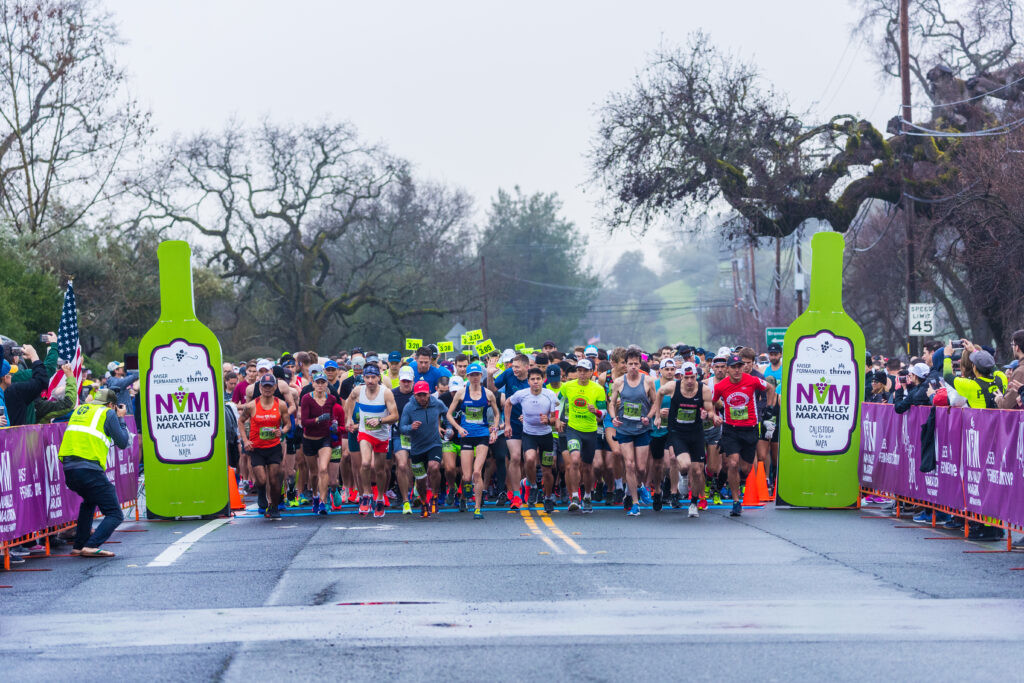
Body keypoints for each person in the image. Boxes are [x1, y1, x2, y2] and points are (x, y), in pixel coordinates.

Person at [58, 387, 131, 557]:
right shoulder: (108, 413)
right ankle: (91, 546)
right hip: (89, 469)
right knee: (115, 514)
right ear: (111, 404)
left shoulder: (81, 410)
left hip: (69, 469)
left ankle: (78, 546)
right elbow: (123, 442)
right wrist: (121, 419)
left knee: (89, 502)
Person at [713, 354, 773, 517]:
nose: (737, 370)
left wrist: (768, 408)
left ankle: (733, 481)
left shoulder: (751, 380)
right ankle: (736, 501)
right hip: (731, 429)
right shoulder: (721, 386)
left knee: (746, 469)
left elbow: (770, 388)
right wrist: (715, 414)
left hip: (750, 429)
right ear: (728, 369)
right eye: (733, 367)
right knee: (732, 463)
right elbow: (712, 400)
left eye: (739, 366)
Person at [655, 361, 716, 517]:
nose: (689, 381)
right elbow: (659, 393)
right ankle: (683, 476)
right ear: (681, 376)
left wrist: (707, 415)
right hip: (677, 432)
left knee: (698, 470)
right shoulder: (673, 387)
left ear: (696, 376)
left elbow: (710, 411)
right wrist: (657, 416)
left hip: (696, 433)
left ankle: (693, 503)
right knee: (685, 465)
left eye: (692, 377)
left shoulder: (704, 390)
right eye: (686, 377)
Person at [344, 364, 400, 518]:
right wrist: (349, 419)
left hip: (381, 435)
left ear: (378, 378)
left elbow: (395, 416)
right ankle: (366, 495)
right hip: (365, 433)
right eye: (367, 377)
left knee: (379, 469)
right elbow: (349, 401)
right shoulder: (358, 390)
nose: (370, 380)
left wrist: (380, 420)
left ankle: (380, 497)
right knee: (365, 463)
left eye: (373, 377)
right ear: (363, 378)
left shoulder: (386, 393)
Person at [607, 348, 657, 516]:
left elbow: (655, 403)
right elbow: (611, 403)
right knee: (629, 464)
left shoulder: (648, 381)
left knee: (641, 468)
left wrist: (649, 417)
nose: (633, 367)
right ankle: (635, 503)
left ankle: (640, 485)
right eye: (630, 364)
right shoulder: (618, 382)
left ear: (640, 364)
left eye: (636, 364)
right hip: (624, 428)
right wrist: (613, 418)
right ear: (626, 365)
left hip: (642, 428)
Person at [506, 366, 560, 513]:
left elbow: (555, 418)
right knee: (529, 459)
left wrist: (548, 420)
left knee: (547, 470)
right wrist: (508, 424)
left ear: (543, 380)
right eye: (532, 379)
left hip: (546, 436)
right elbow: (508, 403)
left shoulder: (550, 395)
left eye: (538, 379)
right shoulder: (522, 394)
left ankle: (547, 497)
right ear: (528, 381)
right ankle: (533, 486)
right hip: (529, 434)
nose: (535, 382)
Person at [449, 363, 501, 518]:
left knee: (477, 472)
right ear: (468, 377)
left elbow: (497, 414)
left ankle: (477, 508)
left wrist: (494, 430)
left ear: (481, 375)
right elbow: (449, 414)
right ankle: (463, 497)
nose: (475, 377)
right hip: (466, 436)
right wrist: (458, 428)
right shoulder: (461, 393)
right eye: (472, 375)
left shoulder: (488, 394)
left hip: (482, 435)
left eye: (477, 374)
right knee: (466, 476)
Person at [239, 374, 291, 519]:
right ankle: (261, 492)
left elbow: (288, 424)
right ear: (260, 387)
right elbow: (241, 421)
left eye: (270, 386)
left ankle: (274, 507)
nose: (267, 389)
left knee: (274, 480)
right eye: (265, 386)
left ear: (275, 387)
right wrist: (245, 440)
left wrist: (282, 431)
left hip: (273, 447)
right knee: (261, 479)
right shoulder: (251, 405)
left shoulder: (280, 404)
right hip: (257, 448)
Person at [558, 358, 606, 513]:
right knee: (574, 460)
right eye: (579, 370)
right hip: (573, 429)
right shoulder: (567, 386)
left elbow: (603, 413)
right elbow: (558, 402)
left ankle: (587, 496)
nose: (582, 373)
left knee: (587, 467)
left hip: (590, 431)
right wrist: (557, 419)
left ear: (592, 372)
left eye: (585, 371)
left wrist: (596, 411)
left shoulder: (598, 389)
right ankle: (574, 497)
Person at [400, 381, 448, 518]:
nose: (422, 398)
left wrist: (449, 427)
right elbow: (402, 427)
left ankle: (435, 496)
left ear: (429, 393)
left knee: (434, 467)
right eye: (419, 395)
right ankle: (424, 502)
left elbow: (447, 413)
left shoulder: (436, 403)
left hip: (434, 444)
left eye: (424, 394)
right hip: (417, 448)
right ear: (414, 395)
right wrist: (410, 427)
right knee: (420, 479)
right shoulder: (409, 407)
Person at [489, 353, 531, 506]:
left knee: (530, 460)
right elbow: (492, 389)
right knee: (515, 458)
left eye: (517, 367)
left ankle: (527, 483)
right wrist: (489, 375)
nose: (514, 369)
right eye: (513, 366)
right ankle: (516, 494)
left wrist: (530, 415)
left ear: (527, 367)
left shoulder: (534, 378)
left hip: (531, 425)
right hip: (512, 423)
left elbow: (543, 400)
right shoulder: (508, 374)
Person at [299, 370, 337, 515]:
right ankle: (315, 495)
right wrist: (317, 419)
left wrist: (334, 423)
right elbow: (304, 422)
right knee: (314, 473)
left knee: (323, 469)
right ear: (313, 384)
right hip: (309, 439)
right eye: (318, 382)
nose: (320, 385)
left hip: (325, 438)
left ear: (327, 384)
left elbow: (333, 416)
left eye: (323, 382)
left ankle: (323, 501)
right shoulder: (306, 399)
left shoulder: (331, 398)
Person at [1, 344, 47, 426]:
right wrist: (34, 356)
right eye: (10, 373)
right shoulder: (15, 391)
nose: (12, 375)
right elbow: (41, 381)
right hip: (17, 434)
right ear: (5, 377)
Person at [997, 329, 1024, 409]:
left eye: (1012, 344)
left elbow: (1006, 405)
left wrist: (999, 399)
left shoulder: (1020, 372)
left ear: (1017, 347)